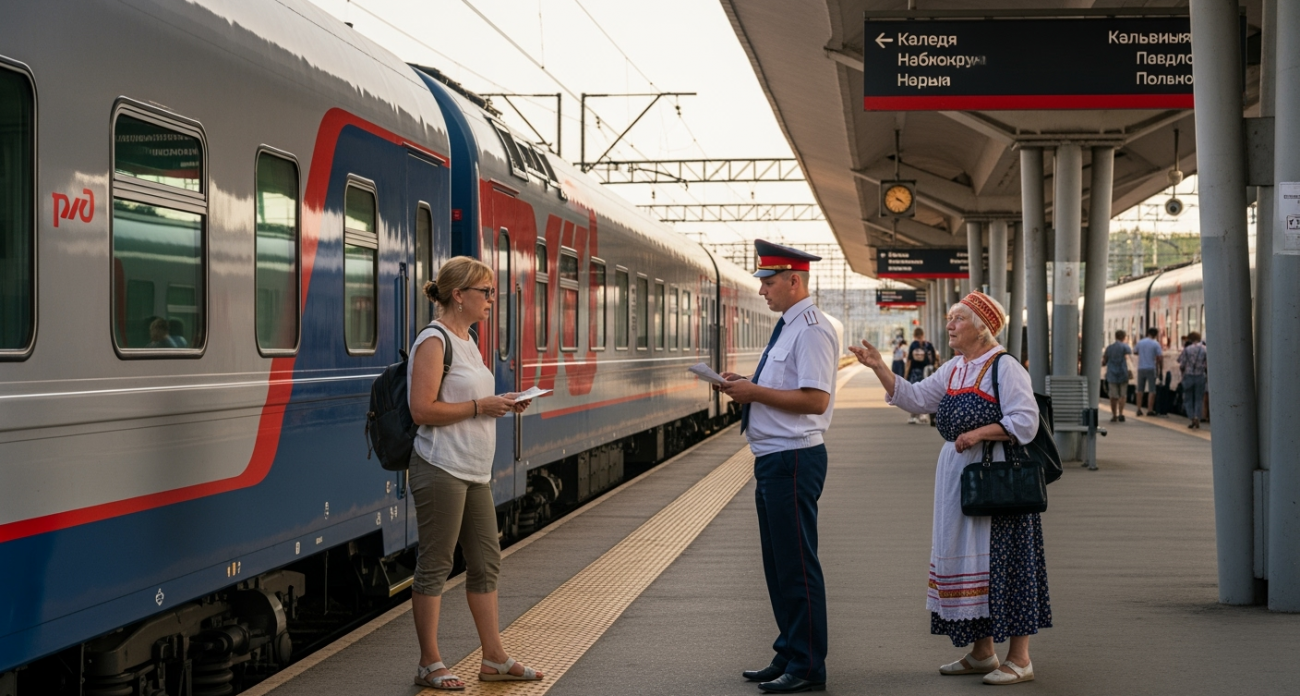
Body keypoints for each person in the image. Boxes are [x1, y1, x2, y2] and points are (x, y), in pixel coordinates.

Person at [849, 291, 1051, 686]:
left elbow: (1026, 421)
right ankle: (983, 652)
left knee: (1006, 563)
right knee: (970, 561)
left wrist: (978, 433)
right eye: (949, 317)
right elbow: (916, 398)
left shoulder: (1005, 367)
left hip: (998, 480)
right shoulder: (956, 368)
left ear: (982, 328)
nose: (950, 325)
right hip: (962, 478)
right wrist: (879, 367)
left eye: (958, 318)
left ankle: (1021, 660)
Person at [406, 256, 541, 690]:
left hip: (474, 470)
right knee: (436, 564)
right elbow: (422, 409)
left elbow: (469, 400)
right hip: (440, 466)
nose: (492, 299)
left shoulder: (469, 340)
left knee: (486, 561)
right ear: (459, 295)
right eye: (486, 291)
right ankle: (429, 662)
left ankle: (494, 658)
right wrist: (483, 406)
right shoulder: (434, 341)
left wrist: (504, 401)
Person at [718, 240, 838, 694]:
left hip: (793, 458)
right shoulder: (789, 327)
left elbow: (815, 400)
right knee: (778, 565)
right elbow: (786, 387)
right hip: (774, 459)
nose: (762, 291)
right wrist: (747, 383)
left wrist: (753, 393)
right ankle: (789, 650)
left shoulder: (811, 330)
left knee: (797, 566)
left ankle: (807, 665)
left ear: (794, 280)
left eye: (768, 282)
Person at [903, 327, 938, 425]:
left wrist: (906, 375)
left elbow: (909, 361)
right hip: (926, 372)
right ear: (923, 335)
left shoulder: (913, 345)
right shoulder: (928, 345)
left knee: (914, 394)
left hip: (915, 372)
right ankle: (923, 415)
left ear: (914, 335)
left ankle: (913, 416)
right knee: (925, 394)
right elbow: (935, 359)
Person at [1177, 331, 1208, 429]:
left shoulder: (1187, 349)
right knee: (1199, 399)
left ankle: (1191, 418)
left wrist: (1182, 374)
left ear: (1190, 339)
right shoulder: (1205, 349)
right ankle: (1197, 417)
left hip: (1188, 376)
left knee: (1188, 399)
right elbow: (1207, 364)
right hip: (1200, 376)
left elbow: (1182, 364)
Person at [1102, 330, 1132, 422]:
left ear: (1115, 336)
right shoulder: (1125, 347)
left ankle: (1114, 415)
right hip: (1123, 373)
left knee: (1113, 396)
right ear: (1124, 337)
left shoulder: (1109, 348)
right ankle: (1121, 414)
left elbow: (1104, 361)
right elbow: (1130, 356)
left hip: (1112, 374)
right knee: (1123, 395)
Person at [1134, 327, 1163, 417]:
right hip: (1151, 368)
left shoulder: (1140, 342)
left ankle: (1138, 409)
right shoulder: (1156, 344)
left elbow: (1135, 352)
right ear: (1156, 335)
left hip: (1141, 368)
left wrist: (1142, 354)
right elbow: (1159, 357)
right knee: (1152, 390)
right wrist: (1160, 368)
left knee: (1140, 389)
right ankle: (1150, 410)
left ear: (1147, 333)